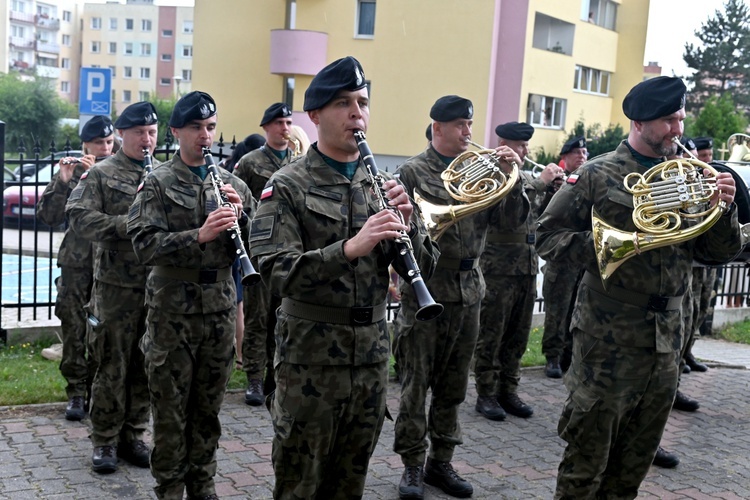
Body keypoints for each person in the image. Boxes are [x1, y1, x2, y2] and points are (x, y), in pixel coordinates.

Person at [536, 76, 742, 498]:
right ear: (639, 120)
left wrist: (725, 210)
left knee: (633, 467)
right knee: (584, 466)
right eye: (668, 120)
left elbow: (718, 253)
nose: (677, 130)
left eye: (680, 118)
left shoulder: (692, 176)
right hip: (606, 341)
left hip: (666, 340)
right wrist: (616, 241)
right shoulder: (597, 174)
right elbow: (547, 237)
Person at [249, 56, 438, 499]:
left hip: (369, 360)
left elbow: (422, 269)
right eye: (343, 103)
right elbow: (276, 271)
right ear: (314, 116)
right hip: (310, 362)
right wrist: (351, 247)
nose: (357, 114)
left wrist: (410, 229)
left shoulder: (381, 185)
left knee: (350, 485)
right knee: (300, 485)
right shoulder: (287, 185)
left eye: (363, 102)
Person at [127, 91, 256, 500]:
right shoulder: (159, 182)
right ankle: (169, 488)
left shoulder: (232, 183)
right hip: (172, 314)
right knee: (169, 411)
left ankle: (203, 484)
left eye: (211, 127)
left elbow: (263, 246)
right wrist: (198, 236)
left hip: (218, 311)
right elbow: (144, 245)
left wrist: (243, 217)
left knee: (208, 409)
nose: (206, 136)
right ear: (177, 131)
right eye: (197, 128)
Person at [393, 95, 521, 499]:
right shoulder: (411, 172)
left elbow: (511, 224)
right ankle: (412, 465)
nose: (469, 132)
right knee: (416, 384)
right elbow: (399, 234)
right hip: (426, 289)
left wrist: (510, 182)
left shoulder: (483, 169)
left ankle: (440, 462)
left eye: (470, 124)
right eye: (460, 125)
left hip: (470, 290)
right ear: (438, 128)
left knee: (453, 386)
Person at [65, 102, 158, 474]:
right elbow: (78, 217)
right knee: (110, 365)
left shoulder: (164, 175)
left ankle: (133, 435)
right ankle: (104, 440)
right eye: (139, 133)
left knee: (144, 365)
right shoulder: (102, 174)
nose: (146, 140)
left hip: (155, 287)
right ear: (122, 134)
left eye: (152, 133)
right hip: (114, 288)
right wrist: (125, 226)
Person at [473, 121, 560, 421]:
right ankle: (486, 393)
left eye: (526, 146)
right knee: (492, 334)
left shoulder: (521, 177)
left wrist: (551, 192)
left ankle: (508, 390)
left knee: (518, 335)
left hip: (525, 266)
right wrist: (539, 184)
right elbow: (508, 218)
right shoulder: (490, 175)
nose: (526, 151)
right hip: (498, 268)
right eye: (521, 146)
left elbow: (534, 217)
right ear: (505, 145)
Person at [37, 115, 115, 421]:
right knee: (73, 327)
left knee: (103, 327)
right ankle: (76, 393)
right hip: (75, 263)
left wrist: (100, 177)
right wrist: (63, 182)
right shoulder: (73, 172)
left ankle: (98, 390)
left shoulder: (121, 170)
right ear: (86, 144)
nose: (106, 147)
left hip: (108, 265)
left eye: (109, 142)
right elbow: (49, 217)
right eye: (99, 143)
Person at [233, 102, 294, 406]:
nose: (285, 128)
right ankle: (255, 378)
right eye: (279, 123)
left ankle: (277, 376)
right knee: (258, 318)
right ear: (266, 127)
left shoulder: (301, 161)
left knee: (285, 318)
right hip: (258, 251)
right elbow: (239, 205)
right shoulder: (249, 162)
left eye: (288, 122)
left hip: (291, 251)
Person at [540, 136, 588, 378]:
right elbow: (543, 218)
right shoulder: (556, 180)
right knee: (557, 312)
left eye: (584, 152)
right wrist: (551, 189)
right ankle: (552, 356)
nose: (582, 156)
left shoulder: (589, 179)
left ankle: (570, 355)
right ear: (566, 156)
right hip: (561, 260)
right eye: (577, 152)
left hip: (583, 259)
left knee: (577, 311)